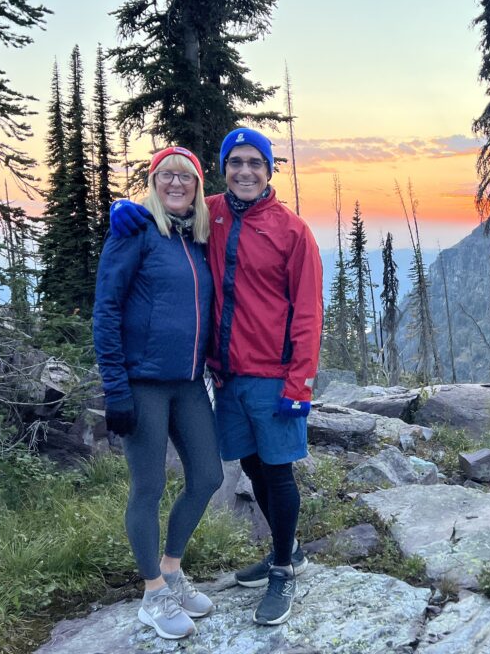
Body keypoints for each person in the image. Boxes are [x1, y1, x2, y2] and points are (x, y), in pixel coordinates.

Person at [110, 128, 323, 627]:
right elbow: (169, 197)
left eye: (255, 163)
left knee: (276, 471)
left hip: (274, 376)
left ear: (269, 171)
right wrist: (125, 208)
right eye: (235, 163)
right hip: (226, 378)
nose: (245, 171)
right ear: (224, 169)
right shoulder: (212, 213)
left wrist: (300, 383)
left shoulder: (293, 231)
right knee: (248, 464)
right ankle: (284, 549)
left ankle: (284, 569)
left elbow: (309, 312)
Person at [94, 146, 223, 640]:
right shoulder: (135, 231)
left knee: (208, 477)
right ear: (152, 182)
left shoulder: (198, 238)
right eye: (165, 175)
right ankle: (152, 594)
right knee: (147, 488)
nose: (175, 183)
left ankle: (171, 568)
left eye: (185, 176)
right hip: (142, 384)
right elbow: (105, 310)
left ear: (196, 186)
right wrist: (115, 389)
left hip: (190, 384)